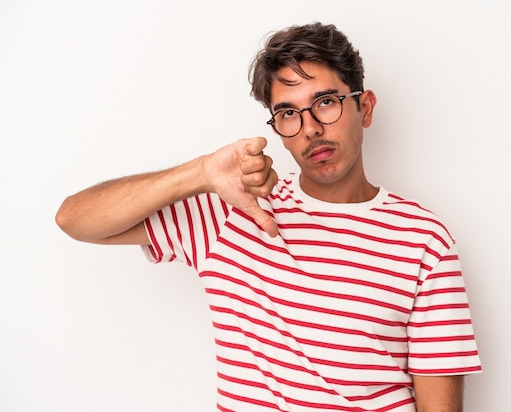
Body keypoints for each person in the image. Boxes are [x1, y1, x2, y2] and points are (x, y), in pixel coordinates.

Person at [56, 22, 481, 412]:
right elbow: (75, 219)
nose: (310, 128)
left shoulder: (424, 238)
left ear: (364, 108)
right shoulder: (234, 210)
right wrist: (200, 173)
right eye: (288, 114)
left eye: (326, 102)